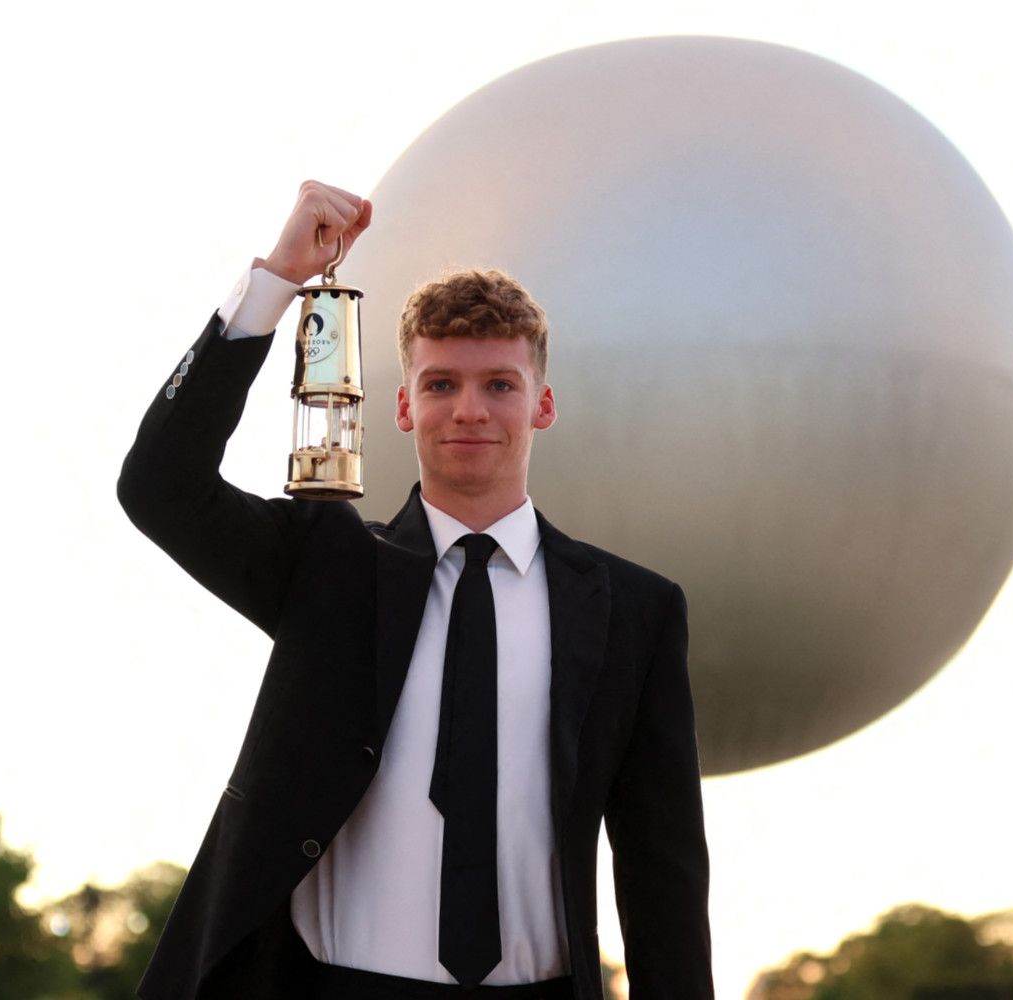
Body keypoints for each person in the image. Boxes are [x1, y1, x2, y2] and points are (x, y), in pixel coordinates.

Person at [117, 180, 712, 1000]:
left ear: (542, 404)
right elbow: (159, 486)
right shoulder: (327, 568)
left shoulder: (635, 612)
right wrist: (277, 280)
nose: (469, 410)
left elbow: (662, 870)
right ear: (402, 405)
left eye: (499, 384)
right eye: (440, 385)